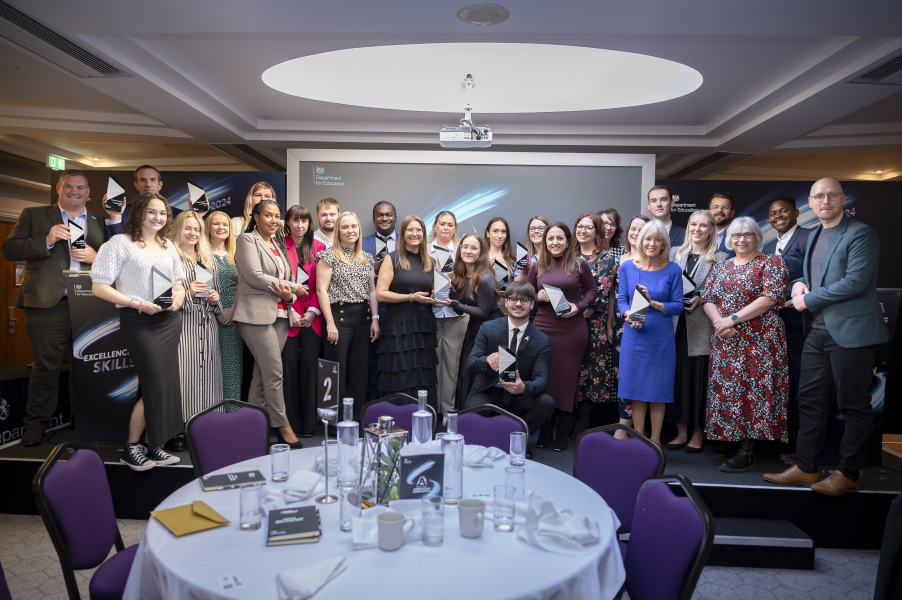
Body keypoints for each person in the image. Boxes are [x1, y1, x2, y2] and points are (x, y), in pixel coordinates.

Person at [765, 178, 890, 495]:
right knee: (810, 402)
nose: (825, 200)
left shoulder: (860, 233)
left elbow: (855, 282)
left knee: (853, 406)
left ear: (842, 199)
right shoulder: (816, 233)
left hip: (852, 335)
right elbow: (817, 273)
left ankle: (848, 473)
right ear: (810, 201)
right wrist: (798, 283)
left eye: (832, 195)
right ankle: (806, 468)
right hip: (817, 334)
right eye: (819, 196)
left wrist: (809, 299)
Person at [2, 169, 109, 446]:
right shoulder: (33, 215)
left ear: (88, 193)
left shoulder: (99, 221)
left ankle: (82, 419)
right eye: (69, 187)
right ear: (58, 189)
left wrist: (96, 256)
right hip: (47, 303)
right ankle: (36, 424)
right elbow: (9, 249)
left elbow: (114, 261)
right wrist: (47, 240)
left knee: (85, 367)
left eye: (80, 188)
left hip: (89, 303)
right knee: (46, 367)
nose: (74, 192)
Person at [90, 193, 185, 470]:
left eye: (163, 214)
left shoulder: (168, 245)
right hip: (138, 320)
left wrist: (178, 296)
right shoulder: (119, 243)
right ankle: (132, 447)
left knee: (163, 385)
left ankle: (154, 445)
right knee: (155, 382)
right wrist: (137, 303)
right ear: (140, 213)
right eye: (152, 212)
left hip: (168, 321)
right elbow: (99, 286)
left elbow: (178, 280)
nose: (158, 218)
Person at [702, 216, 789, 472]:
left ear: (757, 237)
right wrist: (720, 322)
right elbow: (707, 298)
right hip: (726, 342)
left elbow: (771, 297)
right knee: (730, 391)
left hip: (760, 342)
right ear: (729, 239)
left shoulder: (771, 262)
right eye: (736, 235)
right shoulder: (722, 266)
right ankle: (737, 438)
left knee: (755, 392)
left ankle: (747, 450)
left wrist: (732, 319)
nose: (741, 239)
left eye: (747, 234)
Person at [234, 199, 303, 448]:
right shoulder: (246, 240)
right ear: (256, 216)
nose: (274, 220)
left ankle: (252, 429)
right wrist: (295, 288)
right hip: (255, 316)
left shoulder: (275, 244)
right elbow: (254, 276)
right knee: (274, 372)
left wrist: (290, 296)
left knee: (261, 374)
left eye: (277, 216)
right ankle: (283, 426)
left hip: (280, 316)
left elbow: (287, 277)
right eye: (268, 215)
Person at [528, 222, 598, 451]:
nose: (555, 243)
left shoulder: (580, 264)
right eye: (551, 239)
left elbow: (593, 291)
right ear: (545, 242)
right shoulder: (537, 266)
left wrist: (578, 308)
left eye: (560, 238)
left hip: (572, 330)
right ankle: (545, 430)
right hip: (542, 329)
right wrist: (537, 296)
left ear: (568, 241)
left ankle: (563, 431)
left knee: (567, 380)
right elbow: (527, 296)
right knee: (543, 378)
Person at [465, 281, 555, 459]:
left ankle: (519, 441)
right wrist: (487, 360)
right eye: (513, 299)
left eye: (524, 300)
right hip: (489, 391)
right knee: (472, 408)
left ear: (532, 304)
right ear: (506, 302)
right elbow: (470, 364)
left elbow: (542, 380)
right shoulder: (488, 328)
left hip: (518, 397)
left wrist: (524, 388)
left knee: (546, 403)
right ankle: (491, 441)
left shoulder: (541, 340)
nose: (518, 304)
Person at [665, 210, 728, 453]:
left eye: (703, 225)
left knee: (698, 381)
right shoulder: (673, 254)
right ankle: (681, 432)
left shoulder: (721, 258)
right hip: (674, 326)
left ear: (712, 229)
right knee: (678, 380)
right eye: (693, 224)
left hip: (701, 326)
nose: (697, 229)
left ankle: (698, 434)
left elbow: (723, 293)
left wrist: (700, 298)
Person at [618, 220, 683, 447]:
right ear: (640, 240)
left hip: (660, 335)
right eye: (647, 238)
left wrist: (653, 303)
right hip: (634, 333)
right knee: (636, 388)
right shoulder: (627, 267)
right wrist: (629, 315)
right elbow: (622, 301)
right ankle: (638, 437)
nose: (651, 243)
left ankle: (655, 441)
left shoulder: (673, 269)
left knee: (658, 388)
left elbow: (678, 305)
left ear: (664, 243)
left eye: (657, 239)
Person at [316, 212, 379, 417]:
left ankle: (355, 419)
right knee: (334, 370)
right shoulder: (328, 256)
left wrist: (375, 319)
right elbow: (321, 290)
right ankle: (330, 421)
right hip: (339, 317)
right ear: (338, 231)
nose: (350, 231)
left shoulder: (367, 258)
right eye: (345, 227)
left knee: (359, 372)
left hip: (363, 318)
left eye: (354, 226)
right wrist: (330, 323)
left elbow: (372, 291)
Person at [761, 197, 811, 445]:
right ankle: (784, 432)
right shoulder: (770, 245)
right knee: (781, 380)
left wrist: (803, 284)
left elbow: (818, 271)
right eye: (773, 213)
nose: (778, 216)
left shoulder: (809, 237)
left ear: (796, 212)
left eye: (783, 211)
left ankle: (801, 441)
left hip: (799, 323)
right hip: (773, 324)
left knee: (802, 378)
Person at [376, 215, 438, 406]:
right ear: (403, 234)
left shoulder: (430, 261)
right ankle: (396, 421)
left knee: (421, 376)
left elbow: (432, 291)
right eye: (410, 230)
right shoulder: (392, 258)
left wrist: (438, 296)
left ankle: (423, 423)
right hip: (398, 327)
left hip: (423, 326)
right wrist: (411, 297)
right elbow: (380, 294)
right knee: (399, 375)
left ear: (424, 234)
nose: (414, 233)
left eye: (418, 230)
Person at [171, 211, 224, 426]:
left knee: (210, 375)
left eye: (197, 229)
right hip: (182, 325)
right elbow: (161, 297)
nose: (192, 233)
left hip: (208, 325)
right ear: (178, 229)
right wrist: (187, 291)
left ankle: (210, 423)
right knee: (186, 377)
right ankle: (181, 427)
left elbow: (218, 293)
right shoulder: (169, 257)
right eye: (188, 228)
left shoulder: (208, 259)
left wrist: (215, 299)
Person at [573, 212, 619, 439]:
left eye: (588, 227)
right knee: (570, 370)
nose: (583, 231)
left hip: (591, 322)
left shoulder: (605, 257)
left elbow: (600, 294)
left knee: (591, 373)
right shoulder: (567, 255)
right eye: (579, 226)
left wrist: (575, 314)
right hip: (566, 322)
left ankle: (584, 421)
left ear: (597, 231)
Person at [281, 205, 325, 437]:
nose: (299, 225)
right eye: (295, 220)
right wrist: (291, 311)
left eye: (304, 221)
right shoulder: (278, 247)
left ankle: (308, 425)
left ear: (310, 223)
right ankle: (291, 425)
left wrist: (314, 311)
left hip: (312, 319)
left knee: (310, 368)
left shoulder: (319, 248)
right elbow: (276, 282)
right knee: (287, 371)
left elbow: (323, 285)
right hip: (286, 317)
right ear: (287, 222)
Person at [449, 232, 503, 410]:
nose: (468, 251)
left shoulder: (485, 278)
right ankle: (466, 415)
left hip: (490, 330)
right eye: (465, 247)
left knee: (481, 374)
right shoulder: (461, 274)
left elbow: (483, 311)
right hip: (475, 327)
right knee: (467, 370)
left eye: (474, 248)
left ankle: (480, 416)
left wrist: (455, 304)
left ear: (481, 252)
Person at [611, 215, 651, 439]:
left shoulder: (653, 260)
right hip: (620, 324)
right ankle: (634, 426)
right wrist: (609, 324)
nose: (635, 233)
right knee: (623, 374)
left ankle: (626, 426)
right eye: (632, 228)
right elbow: (612, 296)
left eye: (641, 229)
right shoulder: (619, 258)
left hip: (644, 324)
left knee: (640, 374)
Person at [428, 211, 469, 417]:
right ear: (435, 226)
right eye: (442, 224)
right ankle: (432, 411)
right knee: (432, 365)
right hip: (430, 314)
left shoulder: (463, 250)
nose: (445, 228)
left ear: (455, 228)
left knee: (451, 367)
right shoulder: (423, 250)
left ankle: (448, 413)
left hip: (456, 315)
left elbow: (472, 282)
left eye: (450, 224)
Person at [104, 165, 209, 236]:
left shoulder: (177, 215)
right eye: (142, 180)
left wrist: (197, 216)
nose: (148, 184)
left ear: (160, 185)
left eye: (153, 180)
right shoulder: (122, 213)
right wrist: (115, 217)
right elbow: (116, 244)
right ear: (136, 185)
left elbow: (191, 240)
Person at [362, 201, 398, 402]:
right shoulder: (362, 243)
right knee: (373, 358)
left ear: (395, 217)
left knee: (396, 356)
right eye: (380, 215)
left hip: (399, 307)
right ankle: (373, 405)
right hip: (371, 309)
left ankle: (395, 403)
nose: (384, 218)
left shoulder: (406, 241)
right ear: (374, 218)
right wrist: (374, 270)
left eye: (389, 214)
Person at [207, 211, 243, 410]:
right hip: (206, 316)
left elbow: (244, 285)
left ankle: (231, 414)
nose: (221, 228)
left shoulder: (236, 253)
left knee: (231, 368)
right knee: (208, 369)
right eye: (216, 224)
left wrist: (231, 311)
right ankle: (211, 417)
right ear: (209, 228)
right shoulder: (200, 253)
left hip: (233, 317)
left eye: (225, 225)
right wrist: (217, 308)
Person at [513, 215, 549, 282]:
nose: (536, 231)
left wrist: (533, 270)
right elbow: (516, 286)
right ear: (529, 233)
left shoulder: (554, 255)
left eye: (541, 228)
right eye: (532, 228)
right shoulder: (524, 257)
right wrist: (524, 271)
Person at [484, 216, 515, 292]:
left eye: (503, 232)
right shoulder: (480, 257)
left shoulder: (513, 259)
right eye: (495, 231)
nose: (500, 236)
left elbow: (519, 286)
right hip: (487, 302)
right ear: (488, 233)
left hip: (509, 303)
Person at [710, 193, 736, 258]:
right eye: (715, 207)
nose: (719, 210)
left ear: (732, 213)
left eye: (725, 207)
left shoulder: (739, 237)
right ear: (708, 212)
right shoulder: (698, 235)